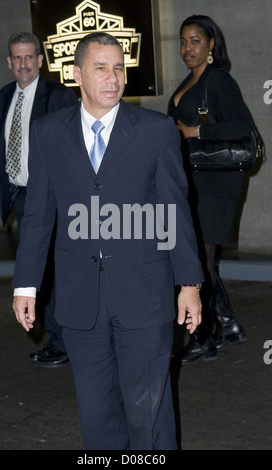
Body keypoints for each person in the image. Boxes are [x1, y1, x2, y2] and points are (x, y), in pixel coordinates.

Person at [12, 32, 204, 450]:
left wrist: (189, 284)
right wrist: (25, 285)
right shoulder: (47, 133)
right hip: (81, 300)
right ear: (77, 74)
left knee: (147, 414)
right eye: (101, 68)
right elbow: (38, 216)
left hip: (145, 294)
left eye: (119, 68)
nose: (113, 78)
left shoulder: (155, 132)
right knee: (97, 415)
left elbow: (175, 212)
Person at [167, 15, 249, 364]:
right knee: (204, 259)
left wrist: (195, 132)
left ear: (212, 44)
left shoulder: (217, 81)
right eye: (183, 41)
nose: (188, 48)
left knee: (198, 261)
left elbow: (240, 126)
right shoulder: (192, 79)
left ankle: (202, 337)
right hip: (197, 181)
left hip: (215, 183)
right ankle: (228, 325)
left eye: (196, 41)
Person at [0, 32, 79, 367]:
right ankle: (59, 338)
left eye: (30, 57)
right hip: (21, 195)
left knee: (54, 273)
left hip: (51, 199)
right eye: (17, 58)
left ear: (41, 61)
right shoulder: (5, 95)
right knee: (37, 270)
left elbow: (72, 150)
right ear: (9, 62)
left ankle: (63, 342)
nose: (23, 64)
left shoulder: (59, 97)